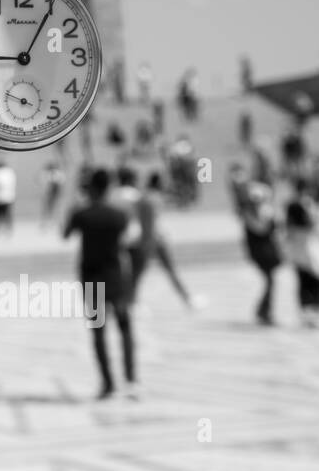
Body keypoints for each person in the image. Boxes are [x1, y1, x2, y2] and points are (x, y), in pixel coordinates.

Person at [63, 169, 136, 400]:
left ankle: (107, 383)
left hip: (93, 280)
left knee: (98, 332)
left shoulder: (82, 214)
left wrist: (74, 206)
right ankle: (131, 379)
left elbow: (65, 234)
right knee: (125, 328)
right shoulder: (118, 214)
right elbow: (130, 237)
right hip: (117, 277)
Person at [132, 174, 200, 309]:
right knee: (167, 271)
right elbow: (150, 223)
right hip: (154, 240)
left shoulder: (143, 198)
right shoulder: (152, 199)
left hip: (148, 239)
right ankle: (187, 299)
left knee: (137, 274)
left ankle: (131, 302)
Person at [284, 179, 319, 328]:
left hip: (303, 245)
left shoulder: (297, 204)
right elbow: (309, 224)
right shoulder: (298, 205)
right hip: (305, 245)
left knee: (310, 278)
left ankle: (311, 311)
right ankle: (313, 311)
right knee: (314, 278)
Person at [240, 182, 283, 326]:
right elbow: (261, 230)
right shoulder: (250, 214)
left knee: (270, 281)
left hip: (267, 253)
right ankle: (264, 311)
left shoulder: (262, 211)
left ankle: (264, 310)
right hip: (261, 253)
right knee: (270, 281)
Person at [40, 161, 65, 227]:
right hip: (49, 194)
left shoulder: (58, 174)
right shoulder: (48, 174)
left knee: (56, 209)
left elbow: (60, 183)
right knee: (48, 209)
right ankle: (46, 223)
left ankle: (57, 223)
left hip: (55, 194)